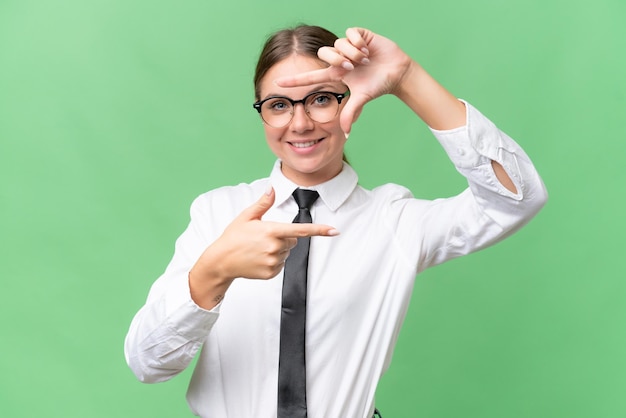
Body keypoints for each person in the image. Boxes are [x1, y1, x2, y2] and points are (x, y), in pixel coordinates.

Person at [124, 25, 548, 418]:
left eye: (321, 99)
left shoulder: (394, 219)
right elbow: (148, 364)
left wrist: (406, 78)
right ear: (262, 114)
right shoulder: (217, 212)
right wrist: (213, 273)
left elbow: (516, 199)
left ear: (351, 101)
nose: (301, 122)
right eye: (278, 105)